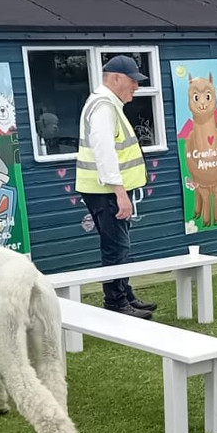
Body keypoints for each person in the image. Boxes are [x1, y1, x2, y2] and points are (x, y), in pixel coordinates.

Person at [76, 55, 155, 319]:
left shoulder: (108, 103)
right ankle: (116, 302)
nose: (136, 87)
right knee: (116, 247)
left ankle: (124, 293)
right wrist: (120, 193)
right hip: (106, 192)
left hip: (105, 190)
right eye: (133, 81)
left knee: (119, 245)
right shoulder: (103, 106)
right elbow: (104, 152)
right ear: (116, 78)